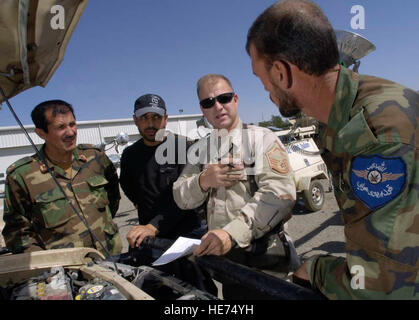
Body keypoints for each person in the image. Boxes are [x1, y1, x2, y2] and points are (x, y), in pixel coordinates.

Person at [246, 0, 419, 299]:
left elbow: (383, 288)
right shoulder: (337, 119)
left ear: (281, 73)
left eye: (261, 78)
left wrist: (315, 269)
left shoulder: (375, 133)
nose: (265, 90)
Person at [173, 74, 298, 298]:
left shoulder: (262, 140)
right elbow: (179, 196)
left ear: (236, 99)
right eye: (208, 102)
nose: (218, 107)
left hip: (267, 264)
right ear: (202, 109)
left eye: (224, 98)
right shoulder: (201, 151)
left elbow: (280, 194)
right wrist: (203, 181)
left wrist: (231, 234)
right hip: (229, 268)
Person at [2, 100, 122, 256]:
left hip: (111, 256)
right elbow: (17, 231)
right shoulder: (22, 175)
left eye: (72, 124)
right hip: (65, 271)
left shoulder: (96, 157)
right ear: (41, 133)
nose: (71, 132)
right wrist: (45, 263)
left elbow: (113, 197)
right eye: (61, 127)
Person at [120, 94, 203, 253]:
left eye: (156, 117)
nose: (151, 124)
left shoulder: (183, 147)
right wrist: (140, 204)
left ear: (165, 119)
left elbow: (188, 195)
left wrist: (154, 226)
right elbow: (126, 184)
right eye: (144, 117)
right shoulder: (130, 155)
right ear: (135, 120)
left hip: (187, 235)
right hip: (149, 237)